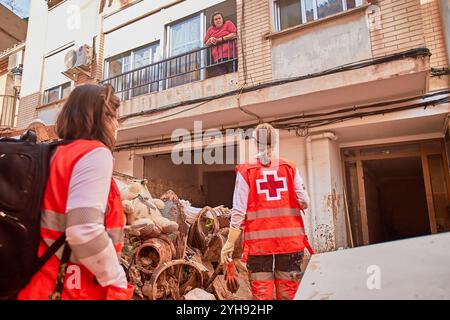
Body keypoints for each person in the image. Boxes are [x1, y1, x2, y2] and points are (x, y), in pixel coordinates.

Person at [18, 84, 134, 300]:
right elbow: (85, 229)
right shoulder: (94, 154)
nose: (117, 124)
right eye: (114, 116)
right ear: (101, 117)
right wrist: (117, 279)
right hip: (70, 289)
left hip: (37, 284)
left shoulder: (54, 154)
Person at [221, 123, 310, 300]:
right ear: (275, 142)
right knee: (288, 293)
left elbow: (238, 211)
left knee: (262, 294)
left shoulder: (246, 170)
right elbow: (305, 201)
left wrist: (230, 242)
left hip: (259, 245)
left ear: (255, 142)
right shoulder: (290, 168)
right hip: (290, 242)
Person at [204, 11, 238, 76]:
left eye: (219, 18)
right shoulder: (210, 30)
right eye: (216, 19)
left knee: (232, 75)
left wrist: (221, 39)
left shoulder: (228, 23)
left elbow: (234, 34)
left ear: (222, 19)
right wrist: (210, 40)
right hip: (218, 58)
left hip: (230, 55)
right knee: (223, 76)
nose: (218, 20)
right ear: (213, 22)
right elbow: (206, 43)